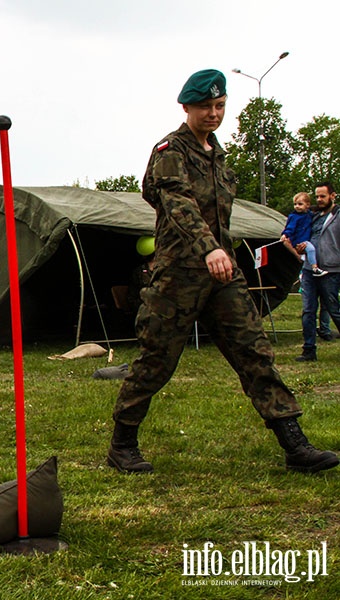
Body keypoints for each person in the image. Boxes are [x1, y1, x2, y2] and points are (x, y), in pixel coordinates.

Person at [107, 69, 337, 475]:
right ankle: (122, 443)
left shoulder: (218, 156)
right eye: (205, 107)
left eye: (220, 106)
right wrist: (208, 247)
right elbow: (175, 203)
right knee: (156, 359)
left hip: (222, 272)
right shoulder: (170, 150)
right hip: (179, 273)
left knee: (255, 352)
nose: (213, 113)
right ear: (187, 107)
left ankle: (294, 444)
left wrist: (220, 252)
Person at [296, 182, 340, 362]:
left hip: (330, 269)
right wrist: (300, 248)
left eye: (323, 196)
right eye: (317, 196)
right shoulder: (312, 216)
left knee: (333, 308)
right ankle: (309, 350)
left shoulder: (337, 216)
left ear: (333, 196)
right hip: (309, 270)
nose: (319, 200)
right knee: (308, 310)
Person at [280, 192, 326, 276]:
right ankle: (314, 267)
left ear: (307, 205)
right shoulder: (294, 217)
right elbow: (290, 227)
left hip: (306, 238)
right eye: (295, 204)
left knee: (311, 251)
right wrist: (285, 234)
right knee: (311, 249)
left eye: (300, 204)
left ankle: (306, 264)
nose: (297, 206)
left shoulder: (309, 214)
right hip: (300, 240)